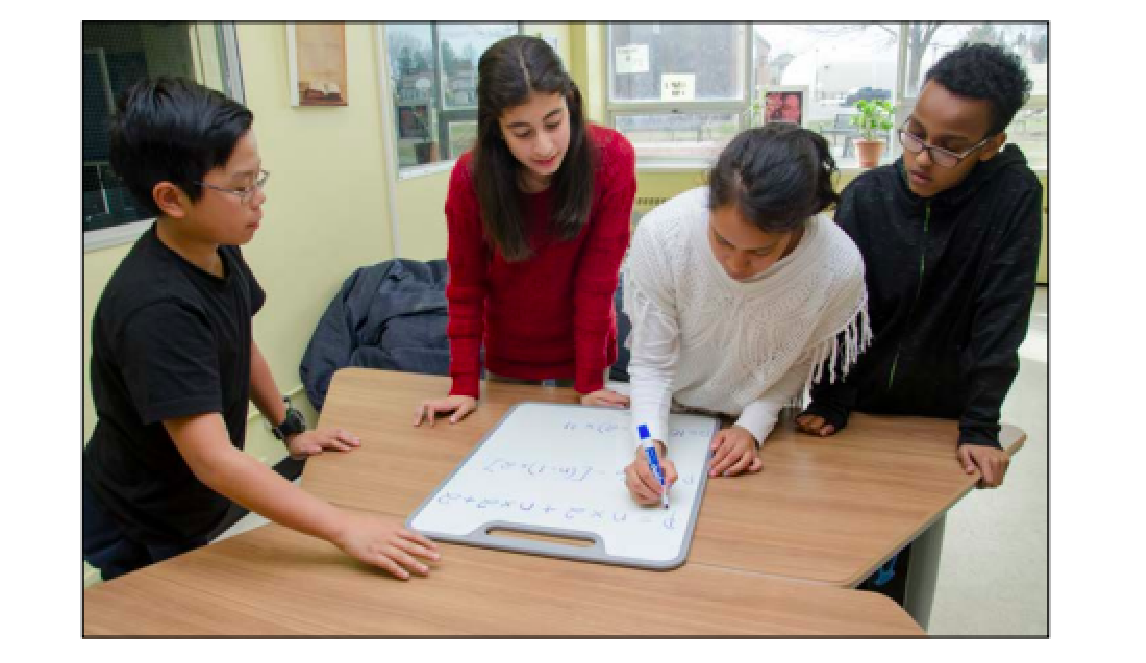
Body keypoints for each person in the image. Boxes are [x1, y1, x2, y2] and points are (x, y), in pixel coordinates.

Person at [83, 78, 439, 582]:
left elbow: (240, 346)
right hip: (144, 522)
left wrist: (290, 428)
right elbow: (213, 460)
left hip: (201, 499)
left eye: (259, 178)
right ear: (172, 198)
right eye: (241, 186)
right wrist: (344, 528)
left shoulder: (213, 246)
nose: (259, 198)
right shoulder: (156, 307)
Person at [797, 43, 1042, 491]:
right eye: (916, 133)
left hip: (943, 415)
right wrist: (830, 397)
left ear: (990, 147)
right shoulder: (867, 197)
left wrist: (981, 425)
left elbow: (1002, 313)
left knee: (914, 536)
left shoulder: (1012, 197)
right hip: (859, 404)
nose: (923, 157)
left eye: (951, 148)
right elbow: (840, 307)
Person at [621, 124, 870, 506]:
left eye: (760, 252)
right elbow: (651, 365)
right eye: (722, 240)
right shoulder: (662, 235)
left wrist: (752, 427)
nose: (736, 265)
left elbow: (796, 360)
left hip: (757, 422)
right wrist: (647, 445)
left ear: (801, 222)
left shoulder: (837, 267)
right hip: (665, 410)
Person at [415, 35, 636, 426]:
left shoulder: (611, 159)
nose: (544, 146)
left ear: (570, 103)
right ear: (496, 128)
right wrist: (463, 385)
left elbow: (597, 282)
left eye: (554, 122)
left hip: (585, 351)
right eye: (522, 132)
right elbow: (465, 288)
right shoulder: (471, 178)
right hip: (509, 353)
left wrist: (587, 383)